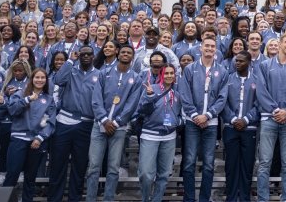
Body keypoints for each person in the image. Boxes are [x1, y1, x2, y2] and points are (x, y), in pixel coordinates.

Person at [85, 45, 142, 202]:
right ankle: (90, 199)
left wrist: (116, 123)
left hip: (119, 128)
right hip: (99, 125)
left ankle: (108, 198)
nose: (125, 54)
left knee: (113, 168)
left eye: (128, 53)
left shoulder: (136, 78)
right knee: (94, 167)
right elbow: (96, 99)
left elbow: (132, 104)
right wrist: (104, 120)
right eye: (123, 52)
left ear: (133, 56)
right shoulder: (104, 73)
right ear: (118, 53)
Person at [255, 34, 286, 202]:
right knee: (264, 163)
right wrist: (277, 110)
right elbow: (261, 91)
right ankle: (263, 198)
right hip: (269, 119)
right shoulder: (264, 65)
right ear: (280, 43)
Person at [48, 45, 98, 202]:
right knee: (58, 164)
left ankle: (74, 199)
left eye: (89, 54)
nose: (85, 56)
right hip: (64, 122)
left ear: (93, 56)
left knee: (80, 166)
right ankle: (54, 199)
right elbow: (57, 80)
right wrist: (70, 60)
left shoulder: (99, 74)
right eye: (82, 54)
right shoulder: (71, 71)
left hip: (86, 124)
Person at [179, 36, 227, 202]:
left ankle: (204, 199)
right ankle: (189, 198)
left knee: (208, 164)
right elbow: (184, 94)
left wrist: (207, 115)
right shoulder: (190, 69)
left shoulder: (222, 71)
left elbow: (222, 97)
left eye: (212, 46)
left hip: (211, 123)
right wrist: (194, 115)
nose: (209, 48)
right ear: (200, 48)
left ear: (216, 49)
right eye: (206, 45)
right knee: (189, 162)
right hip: (192, 122)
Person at [3, 68, 57, 202]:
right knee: (12, 174)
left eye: (42, 78)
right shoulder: (20, 94)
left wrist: (40, 137)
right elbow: (12, 110)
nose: (39, 80)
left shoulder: (49, 100)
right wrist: (28, 99)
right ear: (31, 79)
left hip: (36, 142)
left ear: (46, 81)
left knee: (30, 178)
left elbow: (51, 121)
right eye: (37, 77)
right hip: (19, 139)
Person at [137, 64, 181, 202]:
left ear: (175, 75)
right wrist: (149, 96)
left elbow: (180, 114)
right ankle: (145, 199)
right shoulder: (152, 89)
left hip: (169, 137)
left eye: (171, 73)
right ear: (161, 75)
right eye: (166, 73)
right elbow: (142, 110)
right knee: (146, 174)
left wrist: (177, 122)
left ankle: (157, 199)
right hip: (150, 134)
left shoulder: (178, 94)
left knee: (163, 174)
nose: (169, 76)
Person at [221, 51, 258, 202]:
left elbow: (260, 103)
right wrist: (234, 119)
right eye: (236, 61)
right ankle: (230, 197)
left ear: (249, 62)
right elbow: (222, 102)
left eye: (241, 61)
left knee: (247, 165)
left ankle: (244, 197)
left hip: (249, 129)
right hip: (231, 128)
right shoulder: (228, 79)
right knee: (231, 165)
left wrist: (247, 119)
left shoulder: (257, 80)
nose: (237, 63)